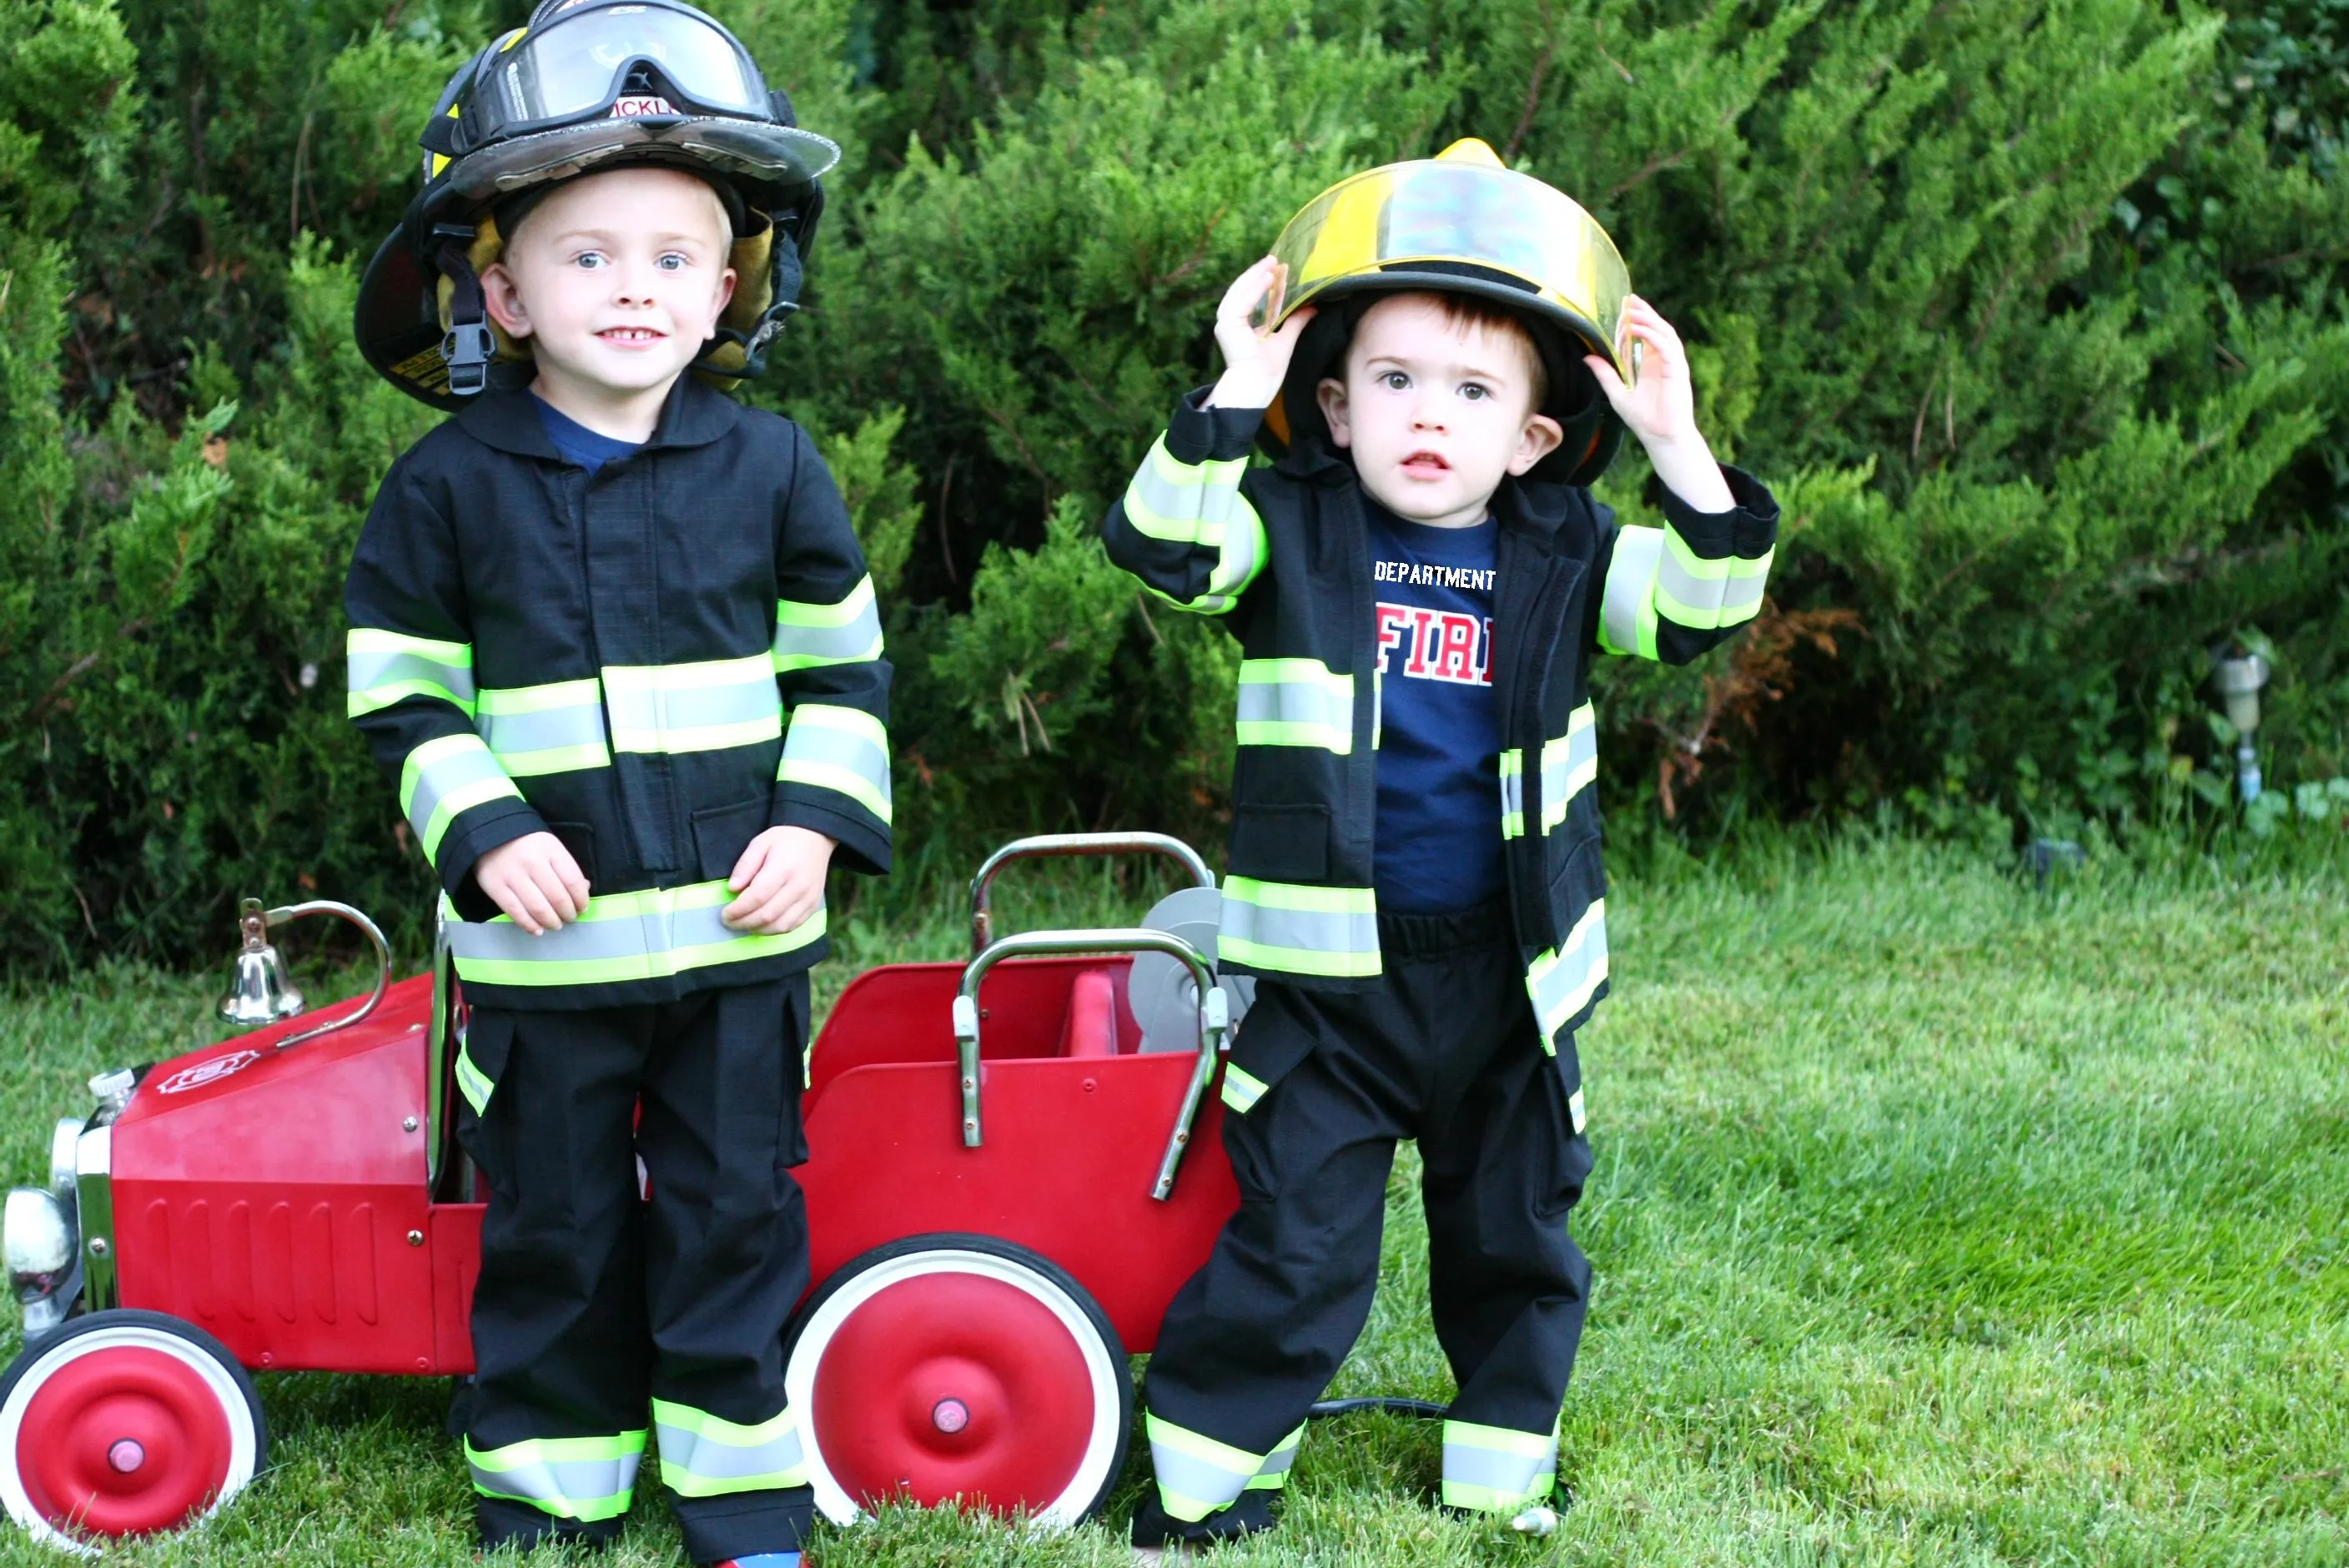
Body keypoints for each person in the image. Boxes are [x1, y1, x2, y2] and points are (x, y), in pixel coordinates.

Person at [1102, 138, 1779, 1553]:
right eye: (1394, 382)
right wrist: (1237, 383)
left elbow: (1713, 599)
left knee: (1515, 1238)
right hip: (1329, 984)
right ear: (1334, 407)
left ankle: (1499, 1473)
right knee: (1295, 1245)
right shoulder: (1285, 531)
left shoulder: (1567, 552)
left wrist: (1674, 443)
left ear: (1535, 436)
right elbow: (1162, 543)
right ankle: (1206, 1484)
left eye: (1475, 393)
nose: (1429, 416)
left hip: (1509, 980)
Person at [343, 5, 888, 1564]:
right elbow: (405, 694)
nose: (633, 287)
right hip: (542, 955)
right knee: (559, 1228)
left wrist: (814, 822)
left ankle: (738, 1489)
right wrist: (488, 831)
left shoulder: (777, 470)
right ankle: (551, 1485)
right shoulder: (445, 490)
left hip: (733, 947)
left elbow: (844, 676)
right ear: (501, 293)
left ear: (731, 287)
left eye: (671, 256)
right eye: (587, 257)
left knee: (736, 1218)